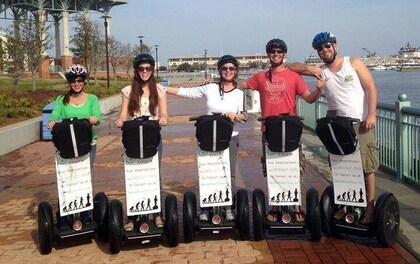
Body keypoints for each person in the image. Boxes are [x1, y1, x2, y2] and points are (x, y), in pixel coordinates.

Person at [287, 32, 378, 224]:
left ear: (335, 45)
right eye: (320, 48)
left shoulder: (353, 62)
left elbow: (370, 88)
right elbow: (289, 68)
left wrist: (371, 114)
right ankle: (345, 204)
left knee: (367, 166)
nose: (324, 50)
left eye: (327, 46)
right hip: (337, 126)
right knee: (340, 165)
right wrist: (309, 68)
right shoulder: (321, 71)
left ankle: (370, 207)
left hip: (359, 123)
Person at [237, 38, 325, 223]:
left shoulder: (294, 76)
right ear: (268, 54)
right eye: (272, 51)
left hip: (290, 129)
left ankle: (296, 205)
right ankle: (275, 206)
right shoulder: (261, 77)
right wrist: (219, 79)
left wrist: (318, 91)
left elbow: (309, 98)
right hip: (269, 129)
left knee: (293, 167)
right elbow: (240, 85)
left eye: (279, 51)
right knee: (272, 167)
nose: (276, 54)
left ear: (284, 54)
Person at [165, 55, 248, 222]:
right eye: (224, 68)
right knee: (208, 172)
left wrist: (236, 115)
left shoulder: (240, 93)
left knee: (229, 172)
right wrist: (164, 89)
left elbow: (245, 116)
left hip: (230, 137)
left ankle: (228, 207)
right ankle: (206, 206)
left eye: (231, 68)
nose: (228, 71)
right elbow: (188, 93)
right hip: (208, 137)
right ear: (219, 70)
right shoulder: (210, 88)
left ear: (236, 71)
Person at [116, 53, 168, 231]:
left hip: (152, 137)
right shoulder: (128, 91)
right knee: (134, 176)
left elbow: (164, 113)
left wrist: (163, 119)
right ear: (136, 71)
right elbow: (124, 113)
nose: (144, 72)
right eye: (141, 69)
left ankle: (157, 213)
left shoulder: (159, 90)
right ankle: (132, 215)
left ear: (152, 70)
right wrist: (120, 120)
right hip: (133, 138)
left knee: (154, 174)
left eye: (148, 68)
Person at [47, 64, 102, 166]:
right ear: (69, 82)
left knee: (85, 175)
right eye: (73, 81)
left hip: (87, 142)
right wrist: (52, 120)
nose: (77, 84)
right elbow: (55, 114)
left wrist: (95, 119)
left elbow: (98, 117)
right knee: (68, 177)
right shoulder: (61, 99)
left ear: (84, 81)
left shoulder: (92, 98)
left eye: (80, 80)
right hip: (68, 142)